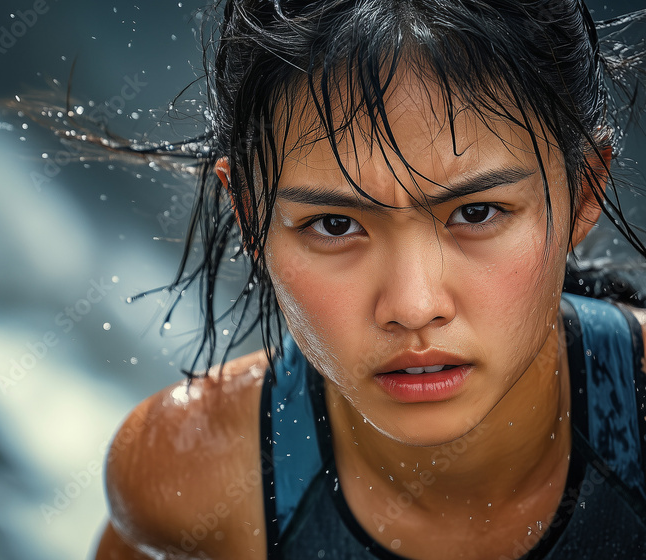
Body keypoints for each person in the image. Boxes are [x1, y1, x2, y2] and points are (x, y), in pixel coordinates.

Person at [51, 1, 646, 558]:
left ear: (583, 193)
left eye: (476, 213)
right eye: (335, 224)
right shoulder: (191, 476)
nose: (413, 306)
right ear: (251, 216)